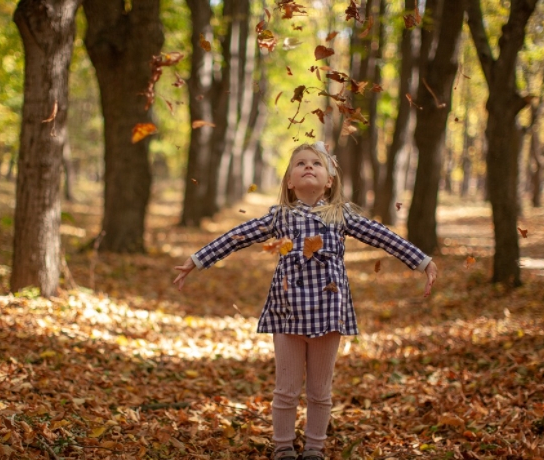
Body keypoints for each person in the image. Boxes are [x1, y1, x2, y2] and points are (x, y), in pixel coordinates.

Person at [173, 142, 438, 460]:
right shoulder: (279, 217)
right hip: (287, 312)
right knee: (285, 390)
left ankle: (314, 449)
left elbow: (384, 236)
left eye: (316, 163)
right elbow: (237, 235)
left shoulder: (341, 216)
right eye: (300, 164)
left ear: (329, 180)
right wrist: (197, 259)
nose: (308, 166)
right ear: (289, 181)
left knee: (319, 391)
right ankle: (283, 448)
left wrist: (422, 261)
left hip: (329, 313)